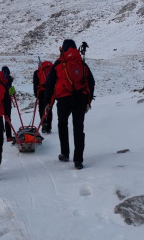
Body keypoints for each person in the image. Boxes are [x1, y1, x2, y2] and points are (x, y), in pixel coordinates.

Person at [45, 39, 95, 169]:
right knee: (78, 128)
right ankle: (78, 161)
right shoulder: (81, 63)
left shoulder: (58, 63)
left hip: (63, 99)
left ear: (63, 49)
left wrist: (47, 103)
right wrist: (88, 101)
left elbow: (49, 84)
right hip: (80, 98)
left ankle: (65, 153)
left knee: (63, 124)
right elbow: (91, 82)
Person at [33, 60, 53, 133]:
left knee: (41, 109)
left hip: (41, 92)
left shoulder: (37, 72)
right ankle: (49, 127)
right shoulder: (50, 71)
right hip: (50, 91)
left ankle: (43, 124)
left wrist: (36, 94)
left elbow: (35, 84)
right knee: (49, 108)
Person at [1, 66, 15, 142]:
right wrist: (13, 91)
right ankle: (9, 136)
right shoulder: (9, 80)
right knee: (7, 118)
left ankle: (0, 135)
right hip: (7, 101)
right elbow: (11, 92)